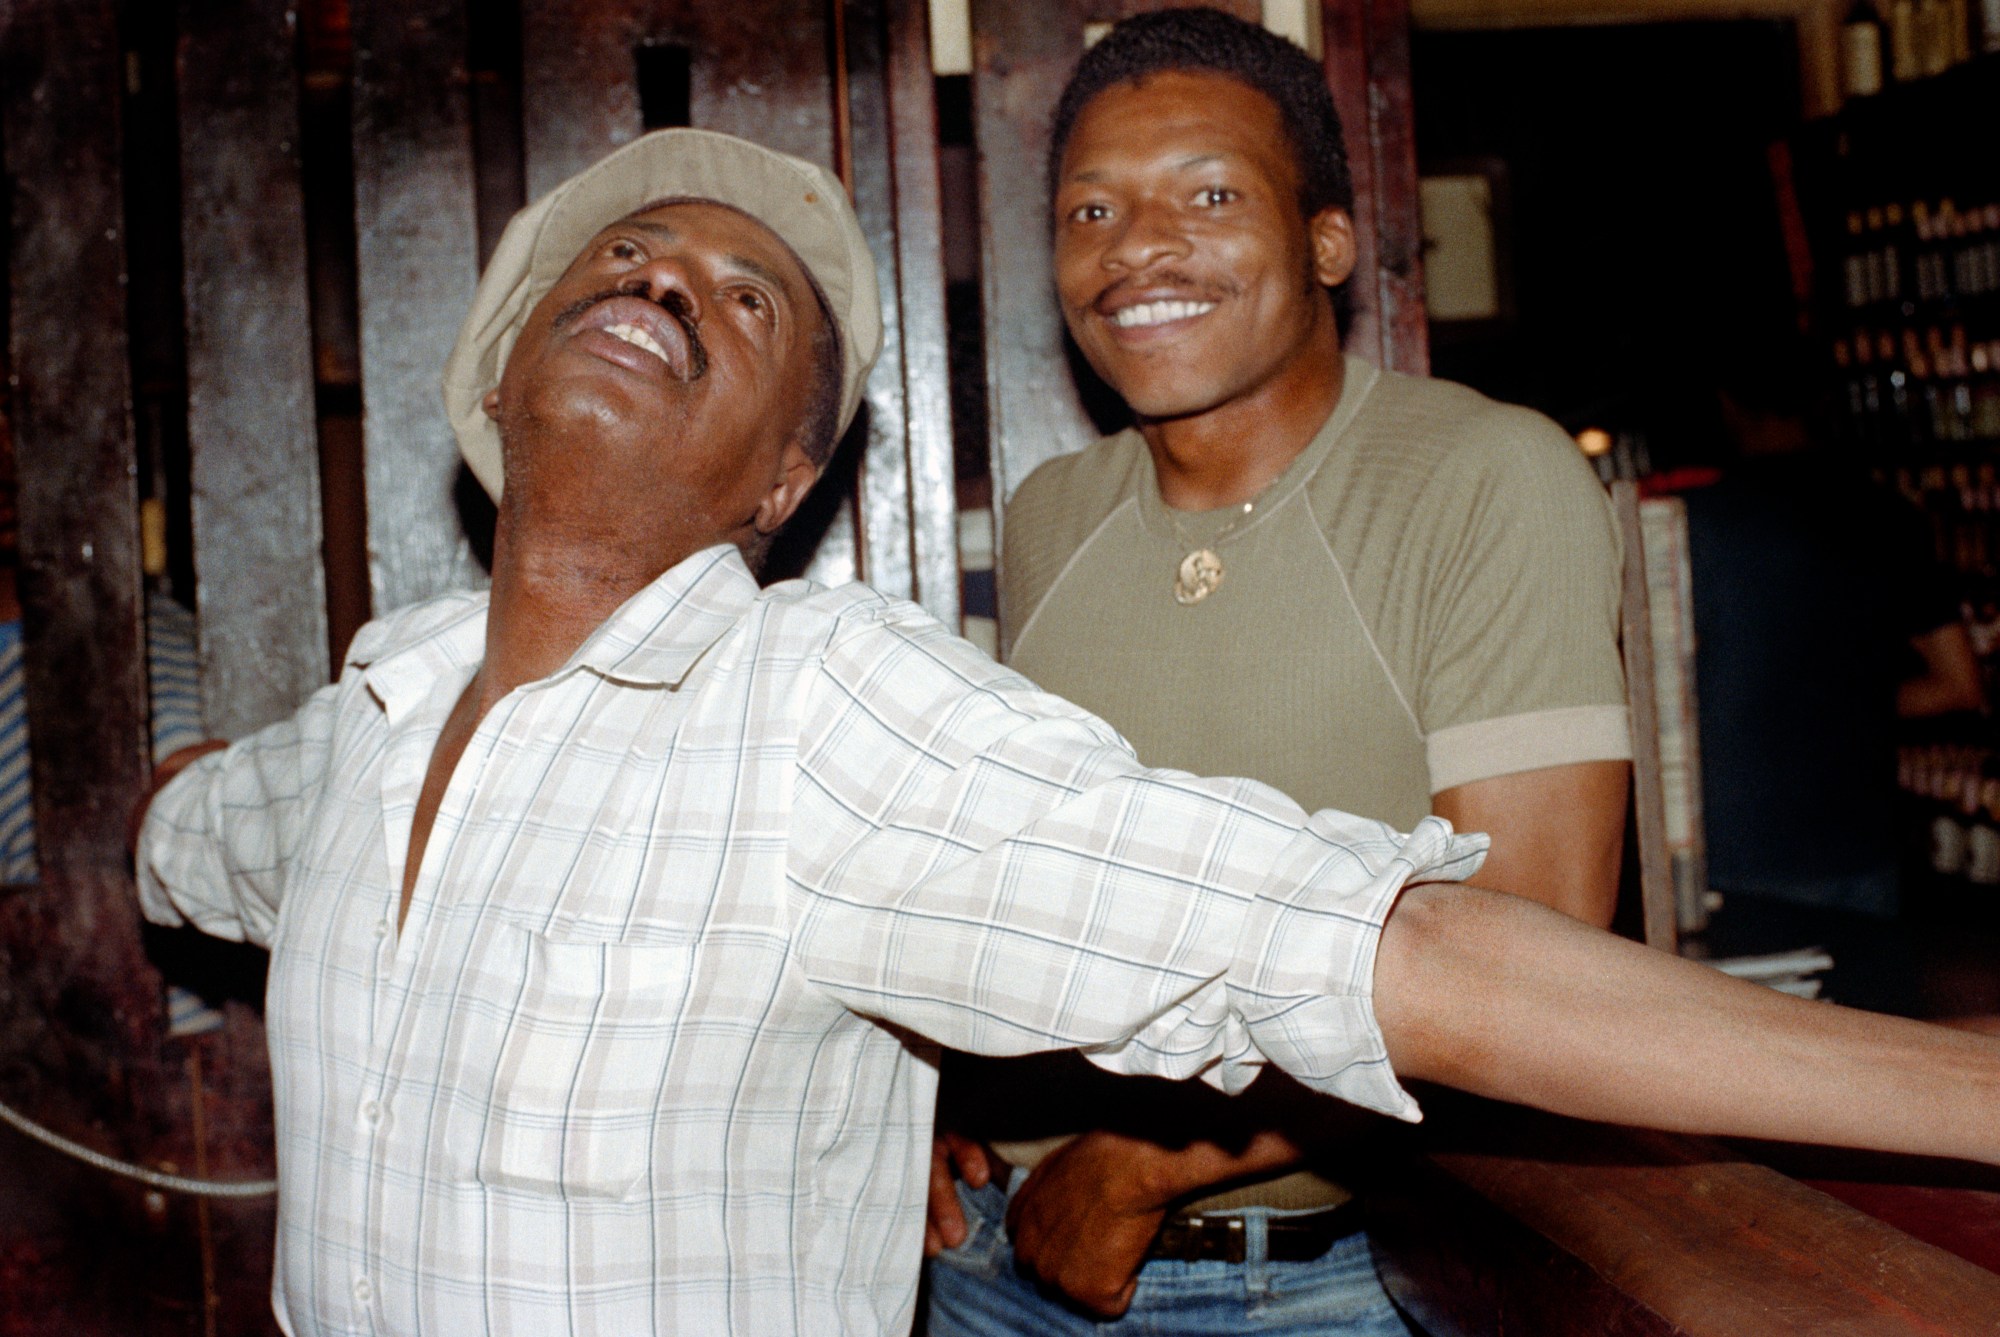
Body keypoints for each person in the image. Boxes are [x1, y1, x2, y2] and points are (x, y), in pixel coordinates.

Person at [134, 126, 2000, 1337]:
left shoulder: (817, 713)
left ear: (790, 477)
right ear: (504, 366)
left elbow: (1375, 945)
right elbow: (189, 826)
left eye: (742, 295)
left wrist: (1968, 1096)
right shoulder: (367, 719)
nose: (662, 282)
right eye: (622, 263)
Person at [926, 11, 1626, 1332]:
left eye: (1208, 193)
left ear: (1327, 241)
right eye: (1090, 209)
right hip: (989, 1265)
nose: (1134, 246)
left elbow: (1542, 966)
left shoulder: (1484, 477)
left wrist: (1144, 1171)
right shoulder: (1053, 512)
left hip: (1298, 1282)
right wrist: (910, 1105)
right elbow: (1021, 896)